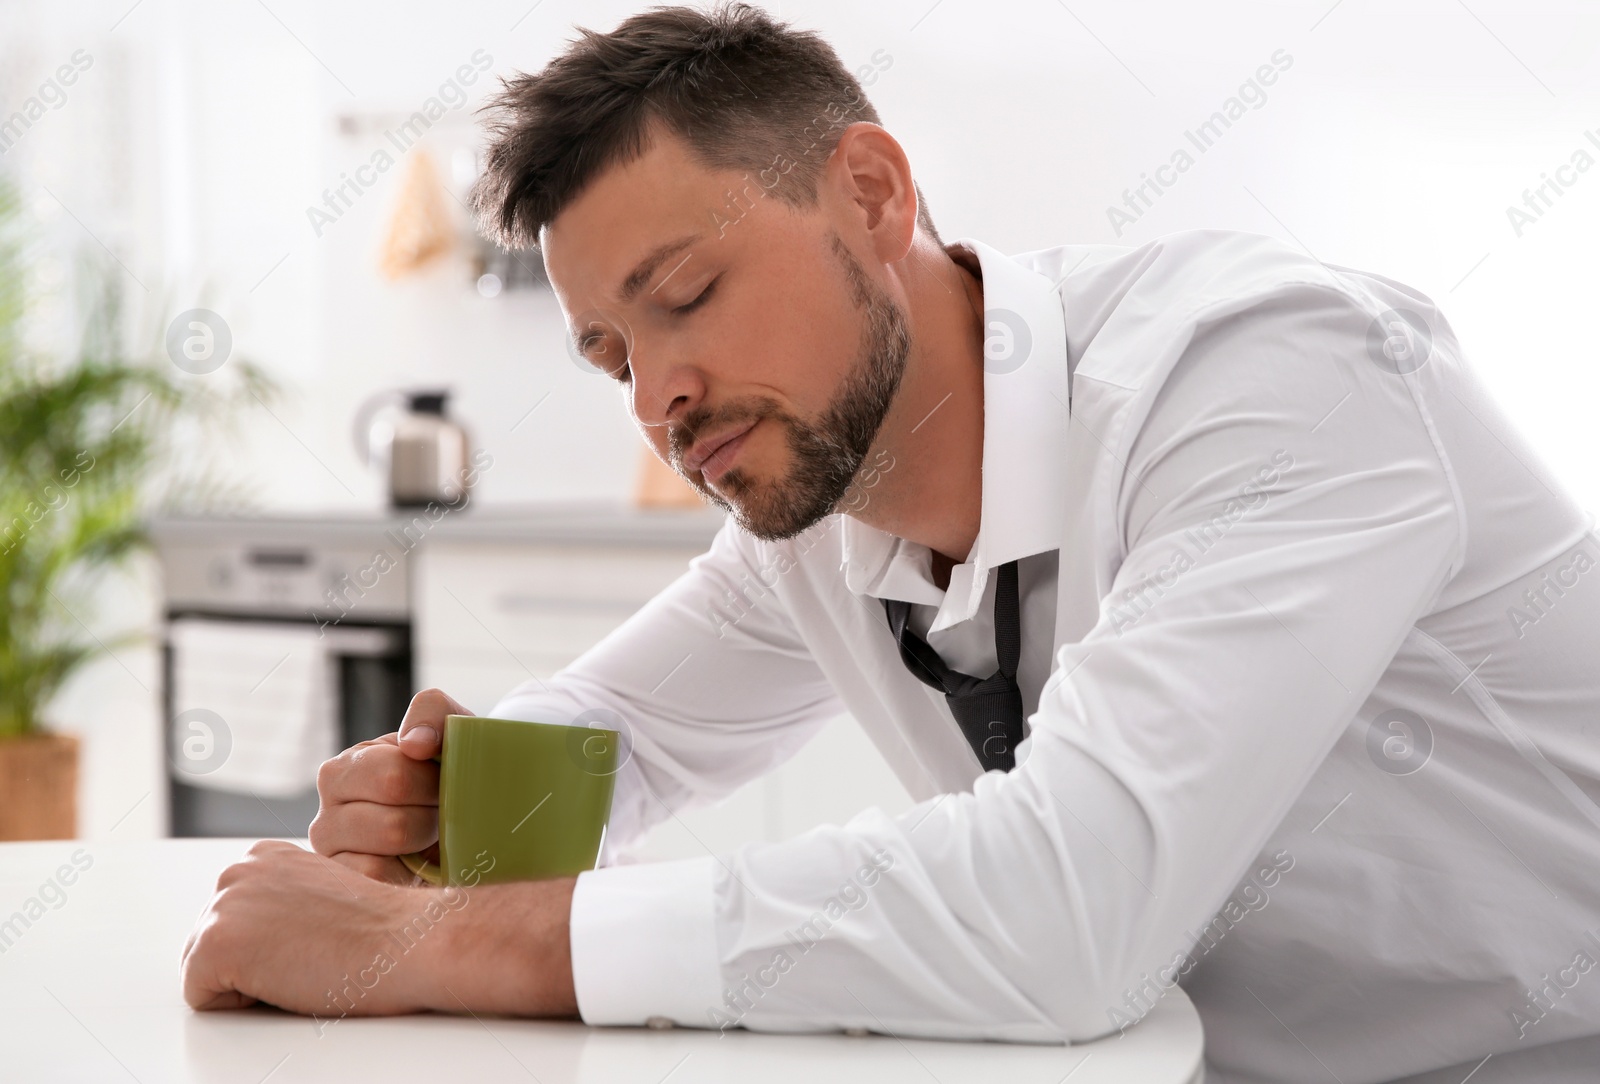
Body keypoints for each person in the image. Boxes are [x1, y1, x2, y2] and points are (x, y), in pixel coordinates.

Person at [181, 5, 1600, 1081]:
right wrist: (449, 802)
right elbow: (620, 730)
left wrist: (421, 948)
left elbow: (1068, 913)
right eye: (613, 355)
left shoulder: (1276, 376)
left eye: (686, 293)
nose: (657, 398)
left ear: (871, 192)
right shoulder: (821, 505)